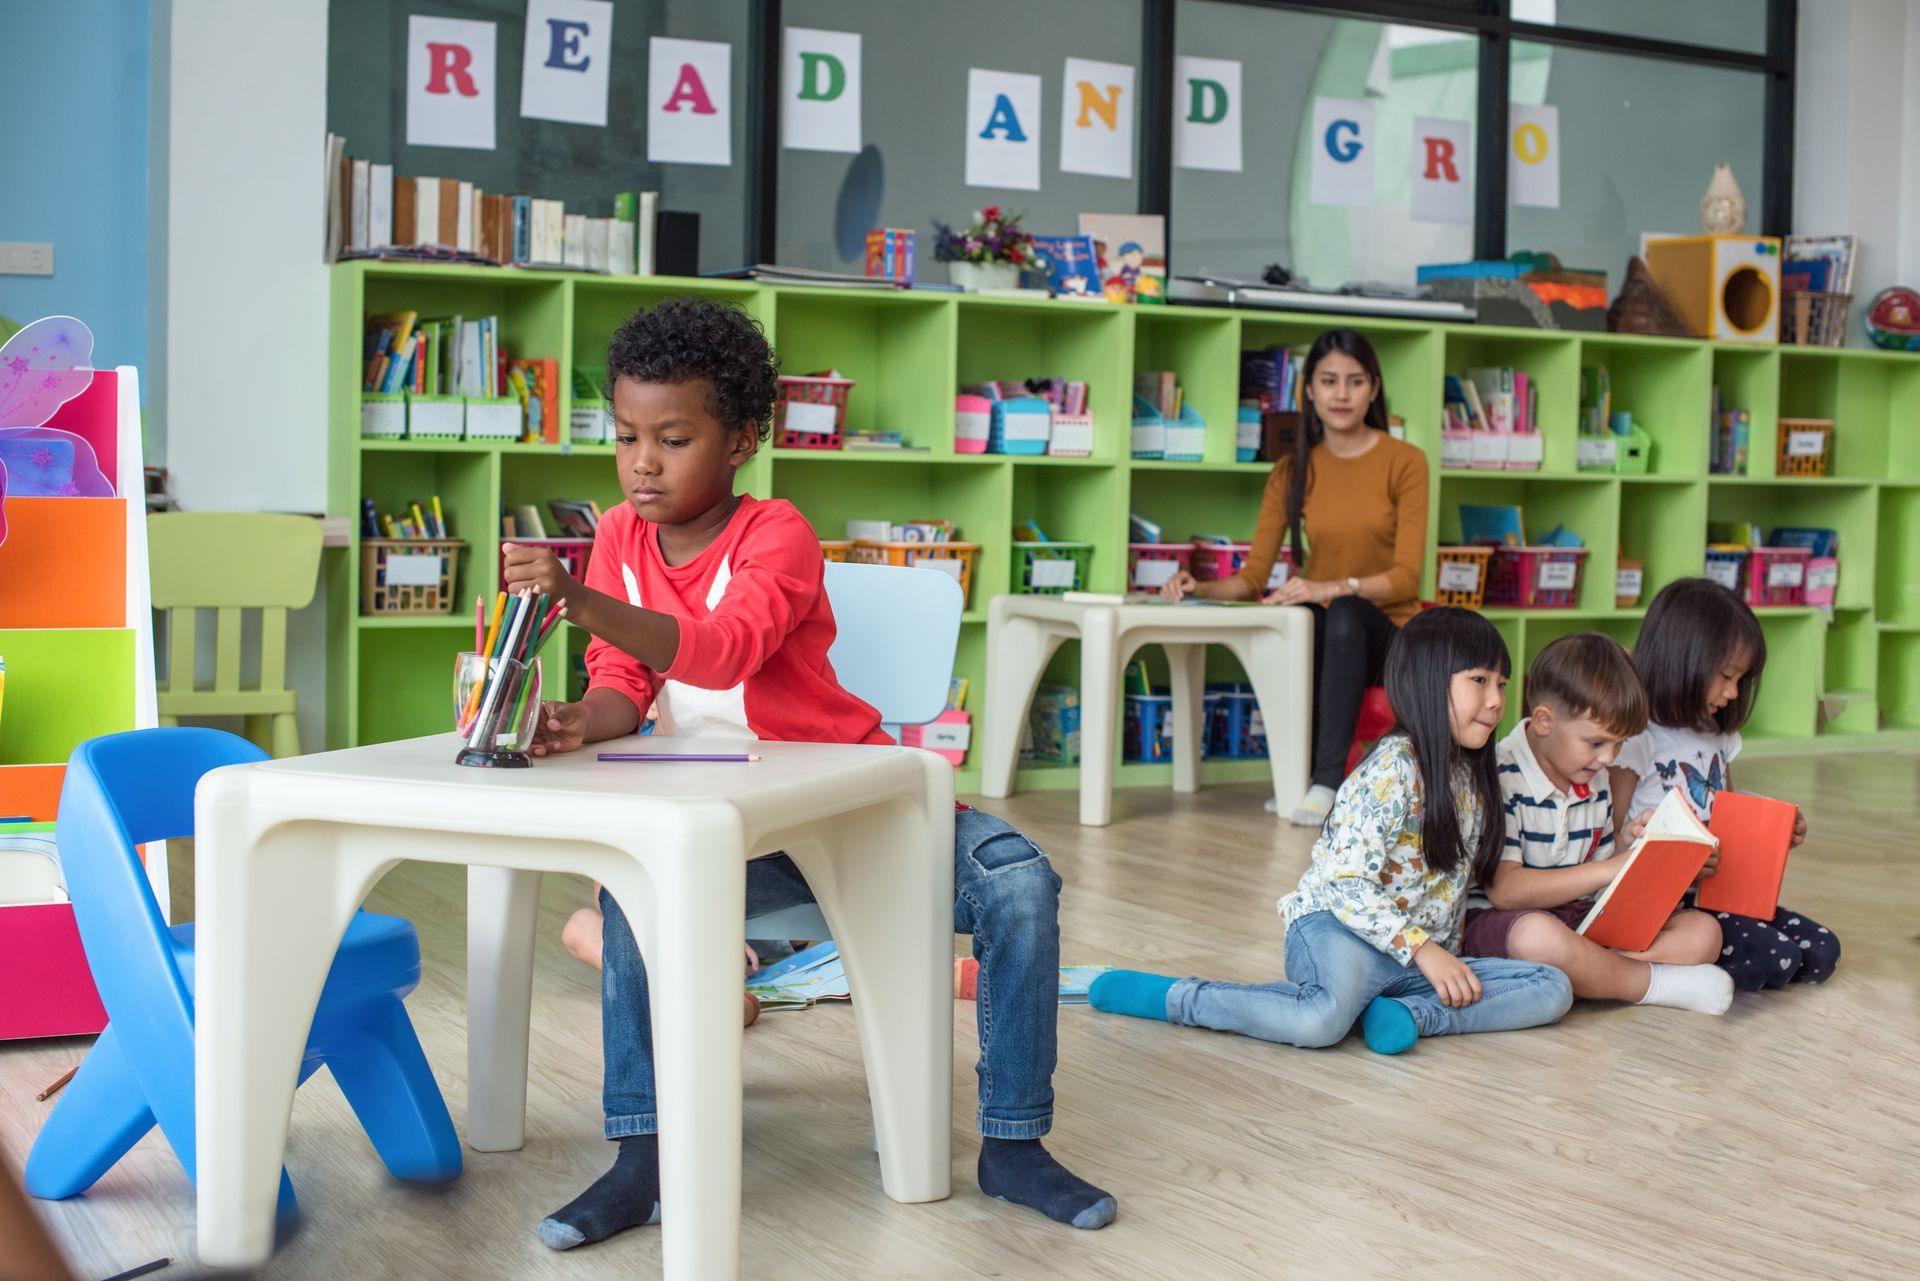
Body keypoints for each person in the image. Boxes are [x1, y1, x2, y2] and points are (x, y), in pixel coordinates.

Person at [500, 297, 1115, 1251]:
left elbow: (722, 651)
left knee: (1020, 880)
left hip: (851, 811)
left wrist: (578, 598)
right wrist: (577, 720)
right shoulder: (621, 535)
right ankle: (641, 1156)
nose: (643, 463)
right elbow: (625, 682)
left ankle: (1012, 1142)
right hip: (725, 832)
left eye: (673, 438)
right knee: (631, 890)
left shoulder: (776, 532)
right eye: (626, 437)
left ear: (741, 438)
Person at [1087, 607, 1572, 1055]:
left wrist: (1436, 954)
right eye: (1480, 680)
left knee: (1552, 987)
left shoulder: (1471, 775)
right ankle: (1178, 998)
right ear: (1426, 681)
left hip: (1413, 962)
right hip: (1341, 931)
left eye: (1503, 684)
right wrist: (1424, 950)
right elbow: (1343, 885)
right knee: (1320, 1021)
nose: (1496, 701)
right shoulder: (1393, 770)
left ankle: (1408, 1014)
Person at [1158, 328, 1429, 827]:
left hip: (1390, 640)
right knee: (1303, 617)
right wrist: (1199, 587)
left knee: (1340, 611)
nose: (1341, 394)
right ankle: (1299, 778)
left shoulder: (1405, 461)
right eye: (1328, 381)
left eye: (1354, 381)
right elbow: (1254, 579)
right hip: (1325, 633)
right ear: (1308, 390)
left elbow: (1407, 578)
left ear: (1373, 388)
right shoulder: (1291, 470)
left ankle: (1325, 781)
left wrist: (1335, 586)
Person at [1462, 633, 1733, 1014]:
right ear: (1544, 721)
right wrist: (1608, 868)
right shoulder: (1501, 774)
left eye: (1619, 744)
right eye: (1596, 743)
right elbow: (1506, 892)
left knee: (1705, 933)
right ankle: (1646, 984)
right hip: (1504, 921)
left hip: (1579, 918)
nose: (1608, 758)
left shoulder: (1591, 773)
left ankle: (1593, 972)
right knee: (1539, 939)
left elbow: (1604, 874)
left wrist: (1636, 847)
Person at [1610, 579, 1841, 991]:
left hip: (1717, 894)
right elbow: (1610, 841)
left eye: (1741, 679)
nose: (1733, 692)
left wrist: (1775, 828)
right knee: (1778, 957)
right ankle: (1638, 967)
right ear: (1682, 659)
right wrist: (1673, 859)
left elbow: (1727, 812)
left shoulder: (1716, 734)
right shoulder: (1636, 737)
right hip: (1664, 903)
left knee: (1823, 951)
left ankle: (1688, 962)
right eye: (1726, 676)